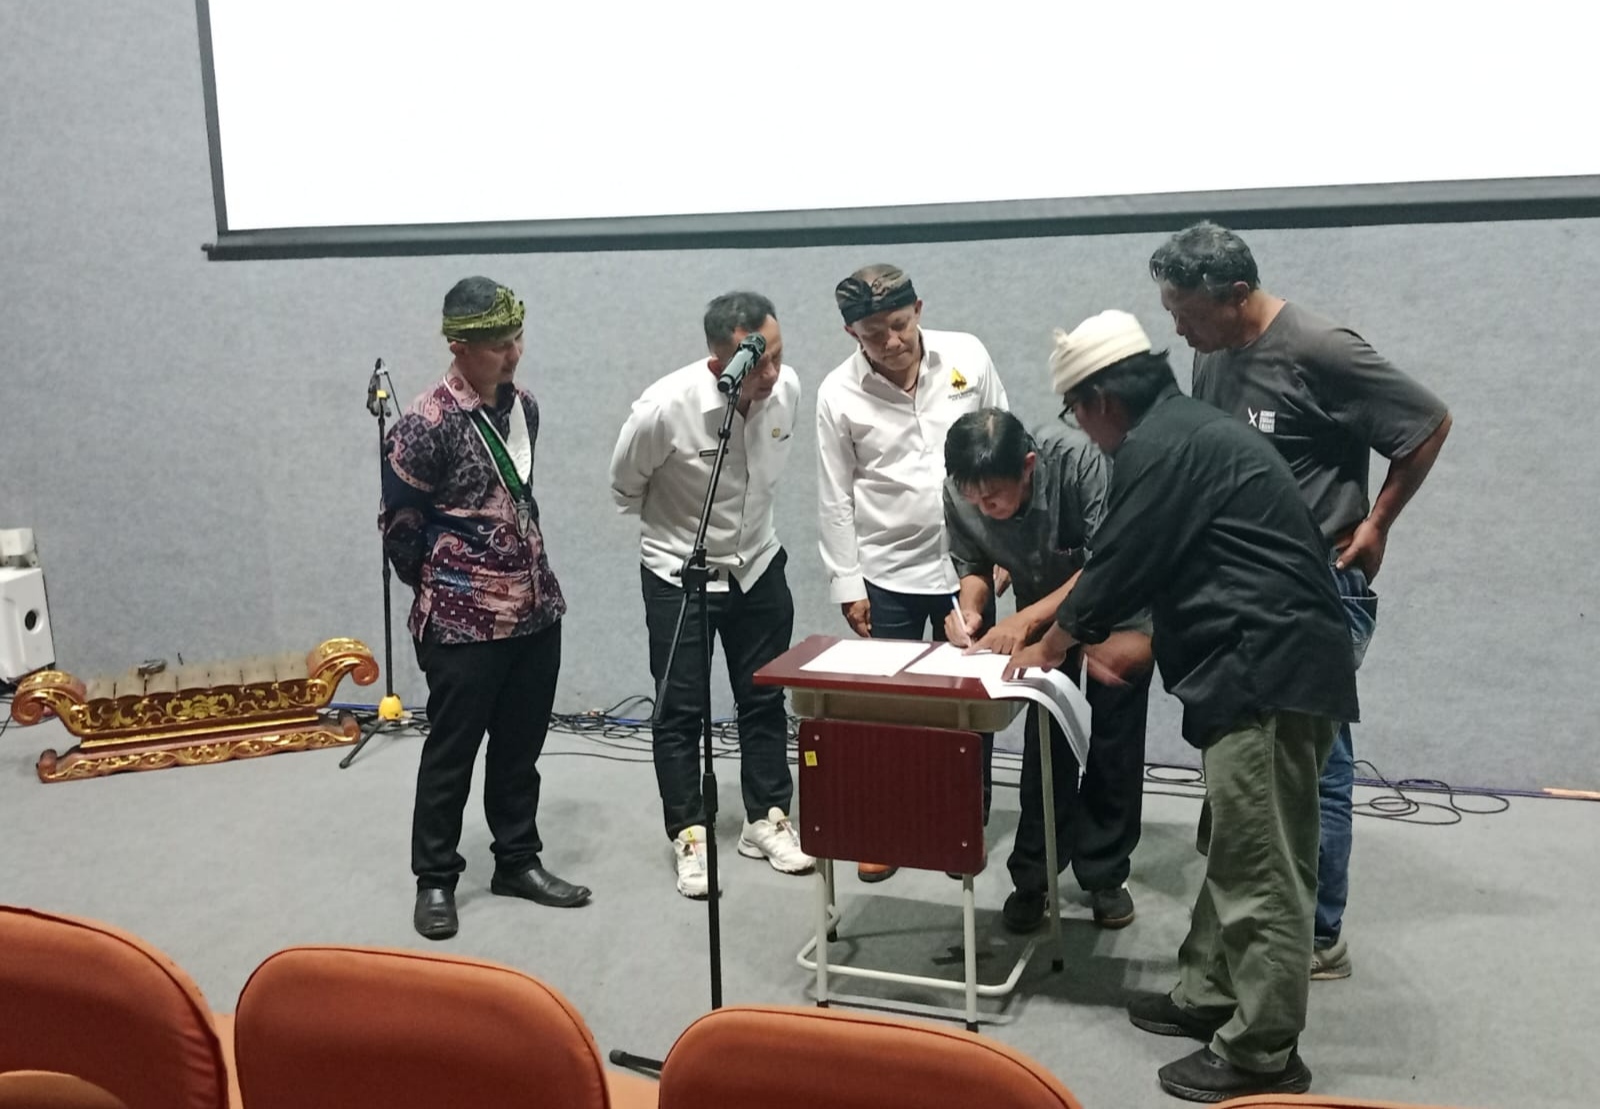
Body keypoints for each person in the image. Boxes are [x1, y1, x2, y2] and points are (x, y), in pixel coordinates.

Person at [1005, 310, 1357, 1102]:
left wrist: (1048, 643)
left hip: (1268, 672)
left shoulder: (1158, 447)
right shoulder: (1189, 430)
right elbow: (1197, 560)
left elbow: (1118, 562)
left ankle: (1264, 1048)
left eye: (1076, 415)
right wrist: (1140, 636)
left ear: (1099, 401)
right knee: (1236, 843)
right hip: (1260, 662)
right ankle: (1208, 991)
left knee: (1263, 863)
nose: (1083, 432)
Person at [1149, 222, 1452, 980]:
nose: (1178, 329)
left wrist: (1377, 523)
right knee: (1264, 761)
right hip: (1244, 593)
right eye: (1171, 311)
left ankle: (1317, 934)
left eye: (1187, 312)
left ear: (1237, 295)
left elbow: (1427, 423)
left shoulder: (1321, 349)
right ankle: (1273, 922)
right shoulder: (1213, 346)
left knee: (1317, 763)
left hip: (1319, 585)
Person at [380, 276, 591, 942]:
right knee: (452, 753)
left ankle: (517, 861)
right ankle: (435, 878)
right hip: (461, 623)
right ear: (459, 347)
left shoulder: (526, 409)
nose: (513, 353)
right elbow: (400, 530)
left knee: (520, 749)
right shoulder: (423, 425)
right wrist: (449, 591)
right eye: (498, 344)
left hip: (535, 611)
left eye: (516, 339)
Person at [609, 292, 813, 899]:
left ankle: (765, 818)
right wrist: (675, 534)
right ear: (718, 359)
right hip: (681, 573)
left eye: (777, 355)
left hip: (758, 565)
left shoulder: (787, 389)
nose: (770, 373)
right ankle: (690, 833)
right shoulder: (664, 409)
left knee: (764, 699)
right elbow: (624, 488)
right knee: (680, 711)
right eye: (757, 363)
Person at [816, 264, 1009, 882]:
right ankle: (888, 829)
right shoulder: (837, 393)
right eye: (875, 334)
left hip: (968, 566)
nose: (893, 341)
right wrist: (848, 585)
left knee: (970, 705)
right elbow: (834, 496)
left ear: (919, 309)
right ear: (852, 333)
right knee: (890, 710)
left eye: (900, 324)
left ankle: (962, 824)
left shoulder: (968, 356)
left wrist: (1007, 548)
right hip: (887, 570)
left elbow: (1005, 444)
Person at [943, 408, 1154, 933]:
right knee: (1045, 740)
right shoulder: (962, 489)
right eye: (973, 498)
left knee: (1114, 741)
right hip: (1040, 610)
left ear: (1029, 466)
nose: (984, 508)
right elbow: (973, 564)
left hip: (1117, 613)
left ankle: (1105, 872)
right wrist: (971, 609)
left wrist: (1025, 620)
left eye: (994, 497)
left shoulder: (1079, 462)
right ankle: (1034, 876)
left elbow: (1106, 562)